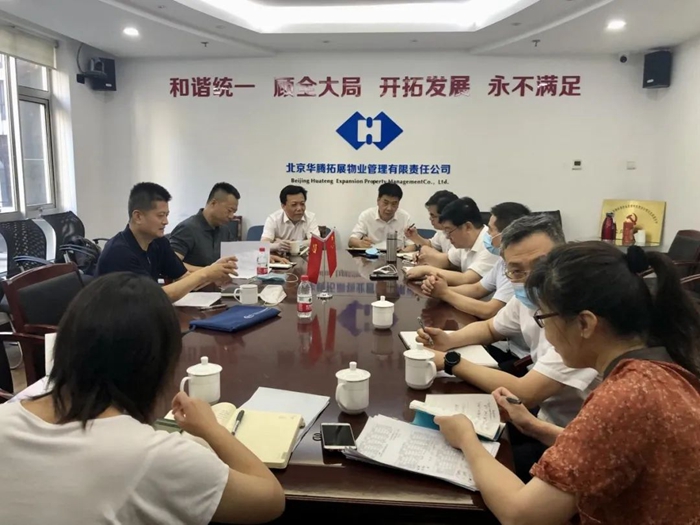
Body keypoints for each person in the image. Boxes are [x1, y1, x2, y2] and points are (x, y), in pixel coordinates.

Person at [434, 242, 700, 525]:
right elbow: (612, 449)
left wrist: (466, 438)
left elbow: (521, 516)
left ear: (585, 324)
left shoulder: (626, 396)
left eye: (544, 318)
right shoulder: (657, 367)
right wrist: (537, 428)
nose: (546, 333)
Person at [0, 273, 286, 524]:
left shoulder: (6, 418)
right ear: (156, 365)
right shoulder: (153, 455)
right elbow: (270, 499)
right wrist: (211, 428)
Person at [416, 214, 600, 480]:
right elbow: (492, 327)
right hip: (542, 423)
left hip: (573, 444)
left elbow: (527, 392)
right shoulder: (528, 299)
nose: (530, 280)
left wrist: (450, 361)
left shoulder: (579, 322)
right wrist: (449, 340)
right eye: (516, 271)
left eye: (540, 266)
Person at [97, 182, 237, 302]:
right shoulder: (119, 252)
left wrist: (214, 272)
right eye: (160, 216)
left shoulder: (159, 243)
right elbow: (154, 297)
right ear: (138, 216)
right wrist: (205, 273)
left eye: (167, 215)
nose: (166, 222)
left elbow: (184, 278)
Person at [421, 202, 531, 321]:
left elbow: (489, 311)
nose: (487, 234)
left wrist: (445, 293)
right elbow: (477, 289)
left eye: (490, 229)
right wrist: (438, 290)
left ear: (507, 234)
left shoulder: (520, 270)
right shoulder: (502, 260)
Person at [170, 183, 289, 270]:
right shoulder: (188, 228)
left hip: (219, 286)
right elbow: (172, 264)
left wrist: (263, 257)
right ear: (213, 203)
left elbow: (238, 255)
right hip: (195, 290)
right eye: (229, 210)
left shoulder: (224, 229)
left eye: (234, 212)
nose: (232, 216)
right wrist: (207, 272)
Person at [405, 197, 498, 286]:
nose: (447, 236)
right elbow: (447, 261)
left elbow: (466, 279)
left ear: (467, 227)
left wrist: (426, 270)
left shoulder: (491, 245)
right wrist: (426, 259)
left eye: (449, 231)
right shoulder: (465, 242)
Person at [349, 182, 412, 249]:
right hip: (372, 254)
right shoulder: (366, 215)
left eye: (394, 204)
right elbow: (351, 240)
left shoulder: (405, 217)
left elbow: (412, 244)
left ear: (398, 203)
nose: (389, 208)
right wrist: (360, 243)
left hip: (396, 254)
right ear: (378, 200)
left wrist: (403, 252)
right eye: (385, 203)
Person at [403, 190, 459, 267]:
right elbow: (431, 245)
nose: (430, 218)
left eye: (433, 215)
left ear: (445, 215)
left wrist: (428, 255)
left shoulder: (460, 234)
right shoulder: (442, 232)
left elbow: (451, 262)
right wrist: (415, 237)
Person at [261, 185, 320, 252]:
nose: (299, 208)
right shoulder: (273, 219)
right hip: (280, 257)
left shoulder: (310, 217)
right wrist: (277, 246)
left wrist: (293, 244)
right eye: (294, 204)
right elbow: (262, 245)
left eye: (302, 204)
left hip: (303, 257)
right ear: (283, 206)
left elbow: (316, 242)